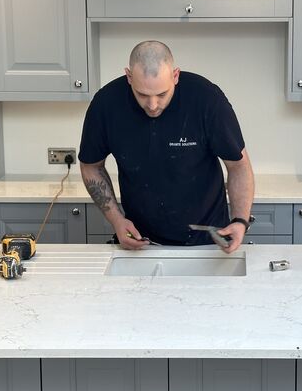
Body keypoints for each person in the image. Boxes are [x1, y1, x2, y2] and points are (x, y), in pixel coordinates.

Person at [78, 40, 254, 253]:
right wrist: (116, 220)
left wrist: (240, 221)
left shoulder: (207, 100)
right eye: (142, 94)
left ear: (175, 75)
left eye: (162, 94)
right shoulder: (106, 104)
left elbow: (238, 166)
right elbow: (91, 166)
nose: (152, 105)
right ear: (129, 77)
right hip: (141, 241)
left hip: (207, 240)